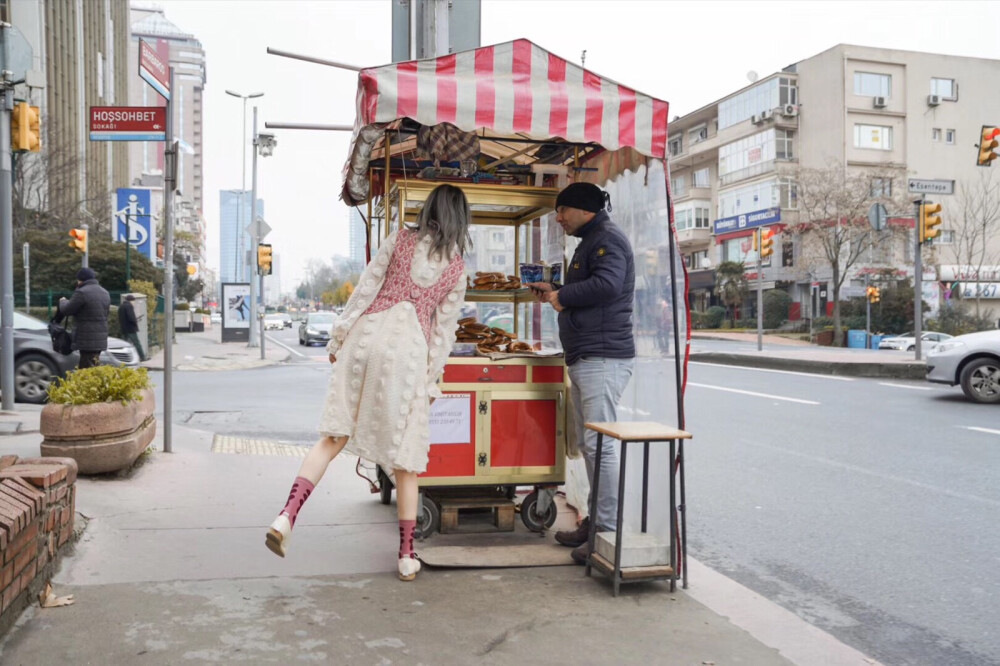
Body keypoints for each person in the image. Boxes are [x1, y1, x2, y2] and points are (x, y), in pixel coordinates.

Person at [266, 184, 470, 582]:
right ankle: (407, 555)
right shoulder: (457, 270)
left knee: (332, 436)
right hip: (409, 355)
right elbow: (444, 335)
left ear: (428, 207)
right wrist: (429, 385)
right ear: (461, 219)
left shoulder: (399, 239)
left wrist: (339, 335)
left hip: (366, 338)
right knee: (406, 461)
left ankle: (287, 514)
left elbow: (365, 290)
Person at [526, 182, 636, 565]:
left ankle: (605, 534)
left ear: (584, 209)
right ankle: (595, 523)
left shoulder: (607, 240)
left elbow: (607, 285)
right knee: (592, 448)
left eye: (563, 210)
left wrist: (563, 296)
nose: (559, 218)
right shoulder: (592, 241)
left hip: (602, 358)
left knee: (600, 448)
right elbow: (592, 288)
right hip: (588, 356)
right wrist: (556, 291)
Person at [55, 267, 111, 369]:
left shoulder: (82, 292)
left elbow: (67, 310)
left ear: (81, 279)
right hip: (100, 339)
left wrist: (63, 301)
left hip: (87, 340)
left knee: (86, 372)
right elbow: (106, 313)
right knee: (93, 367)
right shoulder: (105, 293)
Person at [118, 295, 147, 362]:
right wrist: (135, 321)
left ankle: (124, 359)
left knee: (124, 344)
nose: (134, 303)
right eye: (134, 301)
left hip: (124, 328)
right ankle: (142, 357)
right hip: (131, 328)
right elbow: (131, 317)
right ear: (131, 300)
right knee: (137, 343)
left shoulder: (121, 306)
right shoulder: (129, 306)